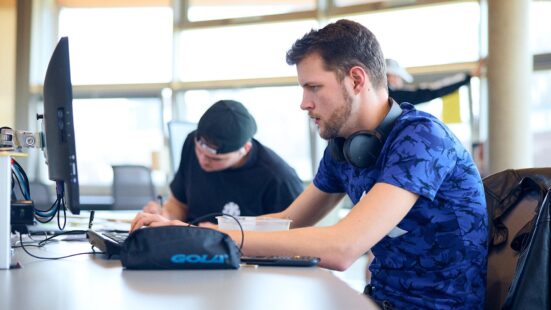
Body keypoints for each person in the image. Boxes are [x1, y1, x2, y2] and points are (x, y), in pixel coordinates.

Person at [131, 20, 488, 309]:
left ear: (357, 79)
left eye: (313, 87)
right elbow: (285, 223)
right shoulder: (344, 148)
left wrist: (210, 238)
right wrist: (186, 231)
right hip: (378, 301)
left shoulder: (422, 139)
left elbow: (342, 247)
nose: (304, 103)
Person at [142, 99, 304, 224]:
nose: (203, 161)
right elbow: (179, 204)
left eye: (215, 158)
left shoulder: (279, 179)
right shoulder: (191, 142)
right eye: (200, 151)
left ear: (245, 149)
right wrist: (164, 214)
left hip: (247, 259)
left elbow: (292, 238)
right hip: (190, 247)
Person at [386, 58, 482, 105]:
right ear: (390, 77)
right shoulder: (395, 96)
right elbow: (433, 90)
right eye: (399, 78)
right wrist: (468, 76)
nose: (401, 82)